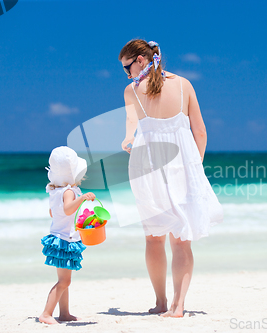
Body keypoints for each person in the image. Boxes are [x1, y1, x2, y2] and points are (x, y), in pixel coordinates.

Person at [118, 39, 224, 318]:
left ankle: (161, 302)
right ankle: (178, 306)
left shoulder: (132, 91)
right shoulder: (184, 85)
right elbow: (200, 131)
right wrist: (195, 167)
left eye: (127, 67)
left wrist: (128, 139)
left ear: (141, 60)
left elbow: (131, 128)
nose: (127, 74)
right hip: (182, 166)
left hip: (147, 165)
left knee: (153, 238)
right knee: (181, 240)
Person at [38, 146, 96, 325]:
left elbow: (53, 213)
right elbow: (68, 209)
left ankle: (64, 313)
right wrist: (82, 198)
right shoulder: (69, 192)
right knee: (64, 281)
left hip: (59, 238)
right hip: (65, 240)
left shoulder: (54, 191)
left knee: (64, 279)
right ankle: (46, 314)